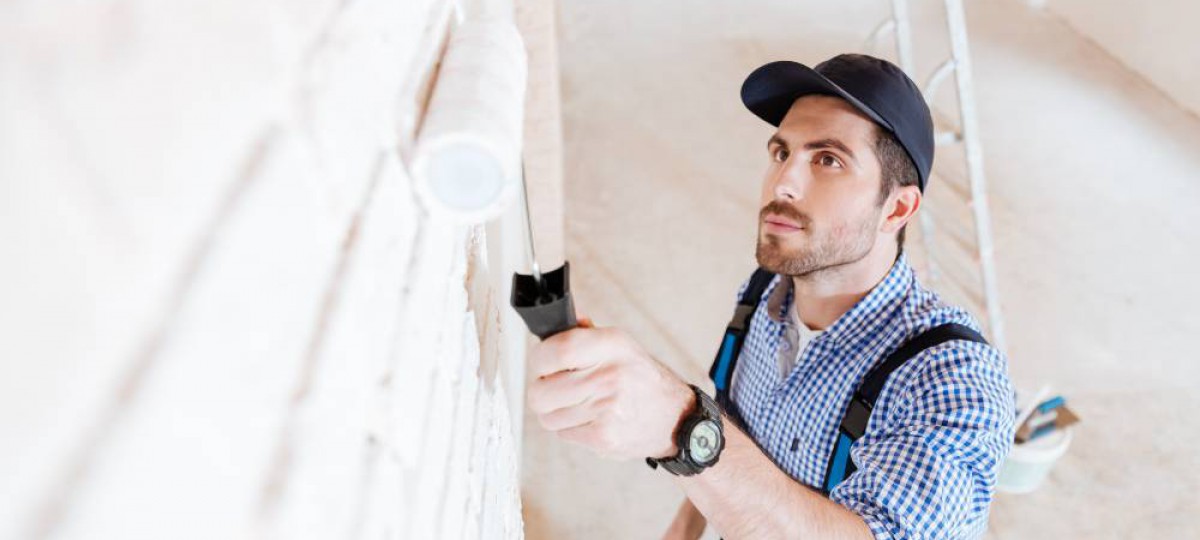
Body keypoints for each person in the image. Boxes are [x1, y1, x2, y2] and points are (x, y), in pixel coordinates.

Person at [526, 53, 1015, 539]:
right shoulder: (762, 296)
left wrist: (680, 426)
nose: (783, 183)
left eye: (828, 160)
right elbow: (727, 435)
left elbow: (709, 441)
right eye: (782, 153)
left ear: (896, 208)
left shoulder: (951, 379)